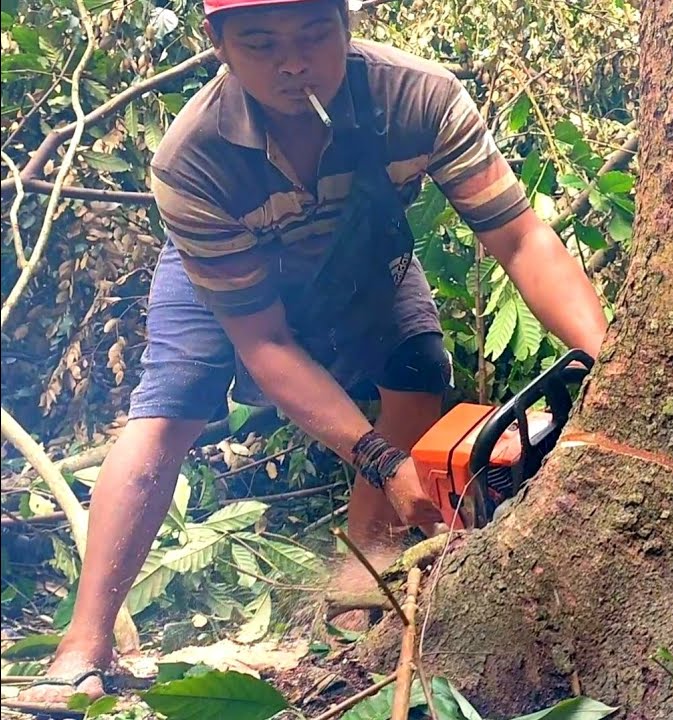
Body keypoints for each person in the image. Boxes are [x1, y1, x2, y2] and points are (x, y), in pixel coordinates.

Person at [15, 0, 608, 708]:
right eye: (262, 44)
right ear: (218, 43)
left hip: (359, 254)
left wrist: (606, 363)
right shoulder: (192, 158)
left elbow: (520, 238)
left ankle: (356, 594)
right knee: (170, 409)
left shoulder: (417, 97)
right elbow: (264, 342)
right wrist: (381, 457)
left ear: (347, 24)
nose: (292, 64)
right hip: (236, 280)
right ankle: (82, 645)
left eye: (313, 36)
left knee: (418, 367)